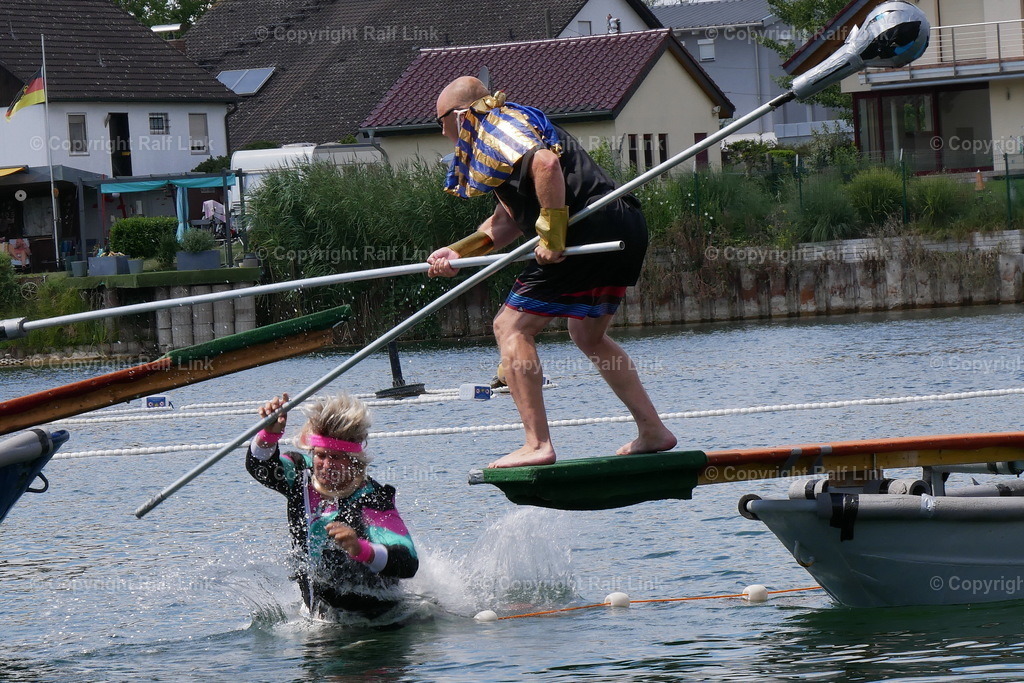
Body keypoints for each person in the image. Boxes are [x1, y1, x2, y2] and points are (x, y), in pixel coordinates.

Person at [427, 76, 677, 468]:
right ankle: (653, 430)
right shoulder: (510, 131)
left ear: (459, 116)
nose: (442, 133)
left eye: (440, 122)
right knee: (588, 334)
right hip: (624, 225)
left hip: (587, 230)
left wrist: (553, 236)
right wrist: (456, 252)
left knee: (510, 327)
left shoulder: (495, 127)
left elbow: (546, 164)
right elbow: (505, 223)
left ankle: (537, 444)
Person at [246, 392, 418, 618]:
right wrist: (269, 434)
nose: (326, 465)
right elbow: (262, 468)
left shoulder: (372, 499)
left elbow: (408, 561)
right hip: (319, 617)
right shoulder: (300, 474)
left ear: (354, 461)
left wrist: (361, 549)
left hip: (373, 618)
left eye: (336, 457)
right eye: (321, 455)